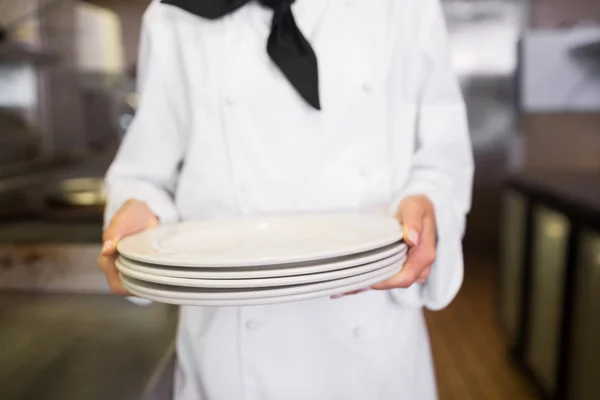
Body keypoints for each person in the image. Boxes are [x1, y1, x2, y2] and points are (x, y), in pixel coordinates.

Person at [98, 0, 474, 398]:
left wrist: (428, 206)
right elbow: (145, 173)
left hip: (372, 350)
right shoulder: (174, 13)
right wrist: (141, 212)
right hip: (228, 357)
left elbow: (442, 158)